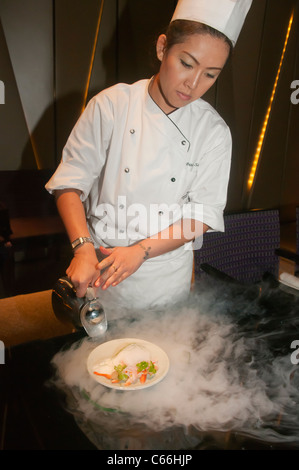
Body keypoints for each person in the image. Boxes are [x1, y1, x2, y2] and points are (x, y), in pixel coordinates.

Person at [46, 0, 252, 312]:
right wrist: (82, 247)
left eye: (210, 75)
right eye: (186, 63)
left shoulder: (213, 131)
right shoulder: (111, 105)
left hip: (165, 280)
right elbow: (69, 182)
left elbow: (202, 215)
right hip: (100, 272)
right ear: (162, 48)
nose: (193, 85)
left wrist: (141, 251)